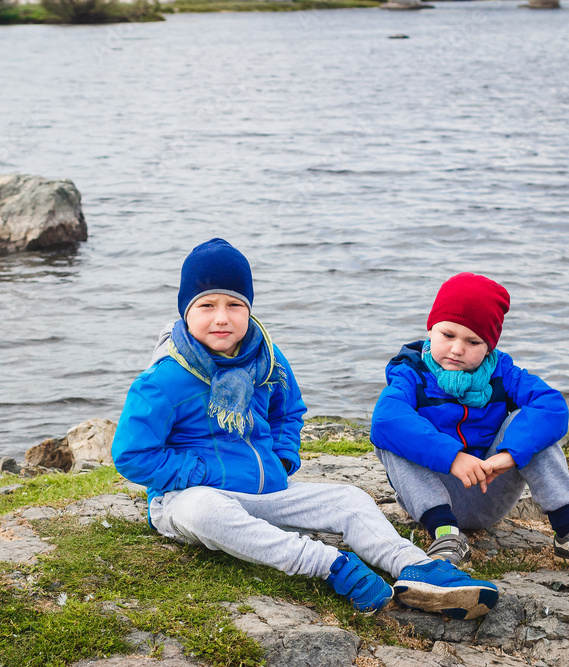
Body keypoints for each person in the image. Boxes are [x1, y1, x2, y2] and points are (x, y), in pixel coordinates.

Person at [112, 239, 499, 618]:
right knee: (205, 511)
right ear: (185, 311)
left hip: (267, 490)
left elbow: (288, 411)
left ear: (248, 309)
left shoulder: (268, 359)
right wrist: (199, 473)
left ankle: (419, 570)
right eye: (206, 305)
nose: (221, 317)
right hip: (188, 497)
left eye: (234, 305)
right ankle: (330, 566)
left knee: (350, 499)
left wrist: (281, 458)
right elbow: (132, 454)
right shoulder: (163, 379)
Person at [371, 273, 569, 573]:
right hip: (429, 497)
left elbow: (552, 405)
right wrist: (452, 458)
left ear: (489, 346)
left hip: (487, 489)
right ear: (430, 330)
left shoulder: (502, 373)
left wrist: (509, 454)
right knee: (392, 433)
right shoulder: (411, 372)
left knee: (530, 425)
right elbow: (386, 419)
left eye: (472, 341)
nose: (456, 349)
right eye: (448, 335)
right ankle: (445, 535)